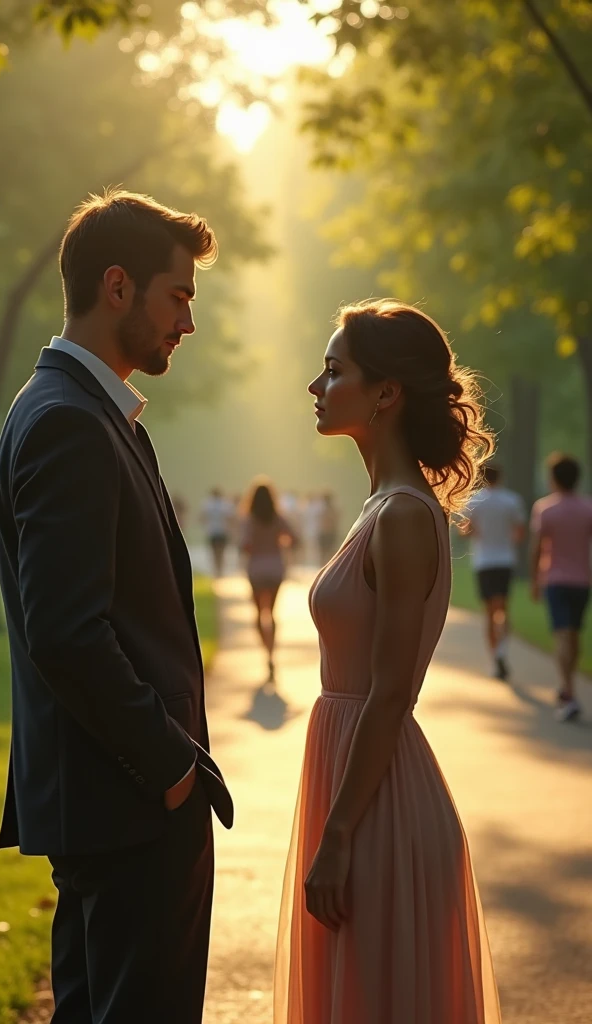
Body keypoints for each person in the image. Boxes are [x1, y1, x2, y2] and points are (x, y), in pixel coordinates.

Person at [0, 189, 233, 1024]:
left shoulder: (83, 411)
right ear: (119, 286)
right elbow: (67, 631)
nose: (187, 324)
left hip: (111, 805)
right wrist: (169, 768)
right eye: (180, 296)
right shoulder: (67, 421)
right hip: (126, 807)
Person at [275, 299, 501, 1024]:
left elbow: (392, 691)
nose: (315, 385)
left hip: (378, 807)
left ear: (385, 393)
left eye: (334, 370)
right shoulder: (379, 506)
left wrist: (340, 834)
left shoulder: (404, 515)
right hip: (351, 785)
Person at [530, 452, 592, 722]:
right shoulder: (588, 508)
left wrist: (534, 580)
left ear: (554, 478)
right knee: (574, 635)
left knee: (563, 636)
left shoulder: (545, 508)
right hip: (581, 581)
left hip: (555, 580)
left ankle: (568, 692)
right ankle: (568, 690)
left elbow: (537, 549)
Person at [461, 463, 526, 680]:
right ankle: (502, 652)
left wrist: (478, 533)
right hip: (505, 560)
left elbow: (467, 530)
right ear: (501, 477)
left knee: (489, 612)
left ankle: (493, 658)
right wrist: (506, 541)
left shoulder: (476, 500)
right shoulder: (512, 500)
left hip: (484, 562)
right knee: (504, 608)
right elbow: (519, 532)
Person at [239, 479, 297, 683]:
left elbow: (245, 545)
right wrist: (281, 543)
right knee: (271, 613)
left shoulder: (249, 520)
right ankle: (272, 653)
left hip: (256, 568)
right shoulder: (278, 518)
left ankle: (266, 651)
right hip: (275, 566)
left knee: (258, 614)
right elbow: (294, 538)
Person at [201, 487, 234, 576]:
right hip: (222, 531)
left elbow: (202, 517)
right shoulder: (225, 504)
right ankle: (220, 570)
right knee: (221, 552)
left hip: (212, 531)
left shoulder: (208, 504)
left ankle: (216, 571)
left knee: (214, 552)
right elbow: (230, 518)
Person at [317, 490, 340, 566]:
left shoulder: (322, 509)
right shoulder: (332, 509)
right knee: (327, 552)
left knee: (324, 552)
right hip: (329, 533)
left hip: (325, 532)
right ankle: (327, 566)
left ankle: (324, 566)